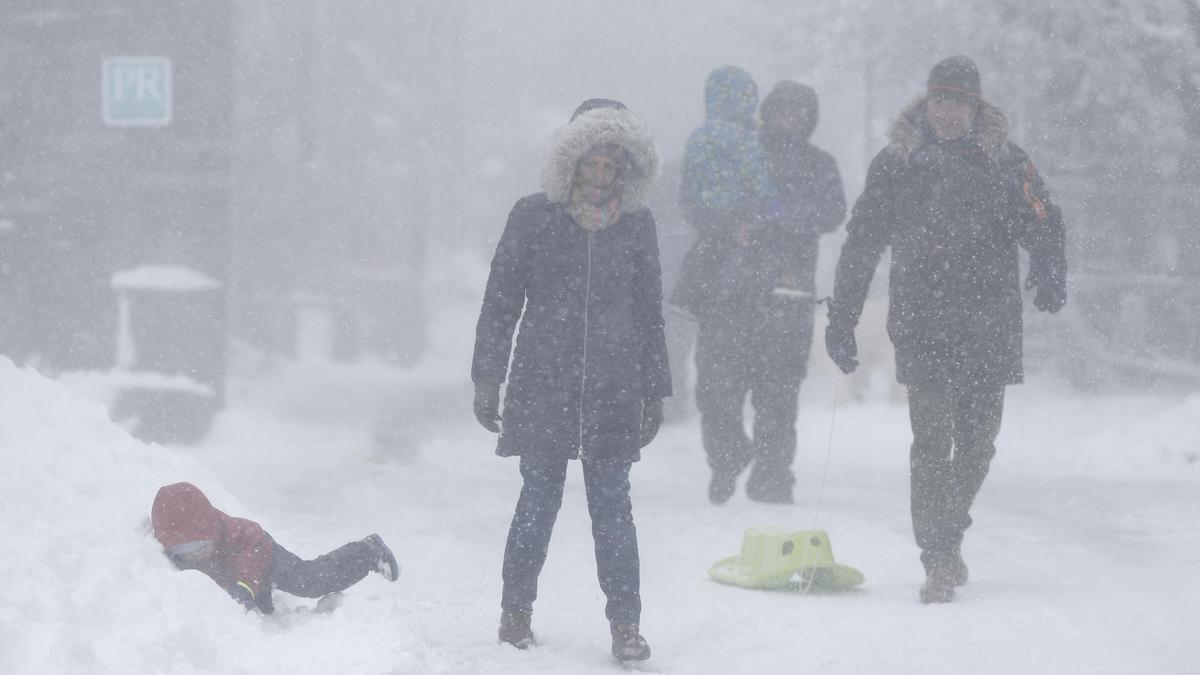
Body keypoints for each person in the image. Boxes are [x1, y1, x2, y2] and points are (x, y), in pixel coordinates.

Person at [824, 55, 1067, 603]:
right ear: (925, 103)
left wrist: (1052, 268)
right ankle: (937, 556)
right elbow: (862, 241)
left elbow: (1045, 217)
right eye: (940, 100)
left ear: (975, 107)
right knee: (932, 442)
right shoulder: (897, 164)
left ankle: (947, 530)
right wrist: (843, 317)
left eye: (958, 101)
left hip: (989, 320)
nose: (948, 112)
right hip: (922, 319)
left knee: (979, 445)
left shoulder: (1004, 161)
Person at [471, 98, 669, 661]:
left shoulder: (637, 226)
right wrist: (488, 377)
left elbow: (648, 310)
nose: (601, 175)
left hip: (613, 388)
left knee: (612, 506)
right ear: (572, 160)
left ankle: (626, 626)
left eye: (612, 164)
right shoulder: (533, 216)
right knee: (538, 500)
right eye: (591, 162)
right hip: (542, 384)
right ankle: (515, 613)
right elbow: (501, 302)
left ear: (626, 167)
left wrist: (656, 389)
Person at [151, 482, 399, 613]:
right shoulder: (173, 544)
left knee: (310, 581)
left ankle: (366, 551)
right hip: (233, 572)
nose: (196, 553)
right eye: (186, 551)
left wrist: (246, 587)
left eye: (202, 545)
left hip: (262, 552)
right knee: (261, 607)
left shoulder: (238, 535)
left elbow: (250, 561)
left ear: (212, 532)